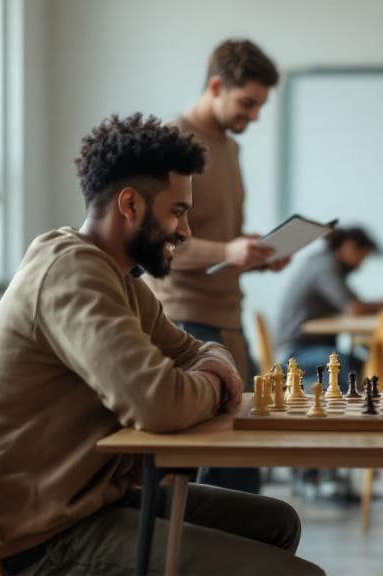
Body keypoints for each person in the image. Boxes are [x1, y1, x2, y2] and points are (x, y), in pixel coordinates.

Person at [0, 113, 321, 576]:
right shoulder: (73, 274)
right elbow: (157, 404)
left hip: (87, 501)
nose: (186, 232)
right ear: (130, 205)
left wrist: (208, 365)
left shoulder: (116, 274)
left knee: (276, 521)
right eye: (178, 211)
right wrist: (213, 381)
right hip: (42, 537)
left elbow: (191, 350)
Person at [144, 38, 284, 494]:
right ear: (217, 85)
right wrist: (227, 252)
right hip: (181, 320)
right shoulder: (171, 144)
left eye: (260, 106)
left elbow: (220, 240)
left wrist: (254, 256)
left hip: (227, 317)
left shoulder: (229, 148)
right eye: (247, 103)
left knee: (243, 463)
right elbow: (155, 242)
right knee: (211, 467)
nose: (254, 116)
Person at [274, 226, 383, 391]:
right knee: (340, 363)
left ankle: (362, 408)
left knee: (364, 365)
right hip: (295, 349)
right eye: (362, 256)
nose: (361, 263)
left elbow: (352, 302)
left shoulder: (328, 264)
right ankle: (343, 413)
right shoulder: (325, 266)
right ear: (349, 246)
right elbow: (354, 309)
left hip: (313, 344)